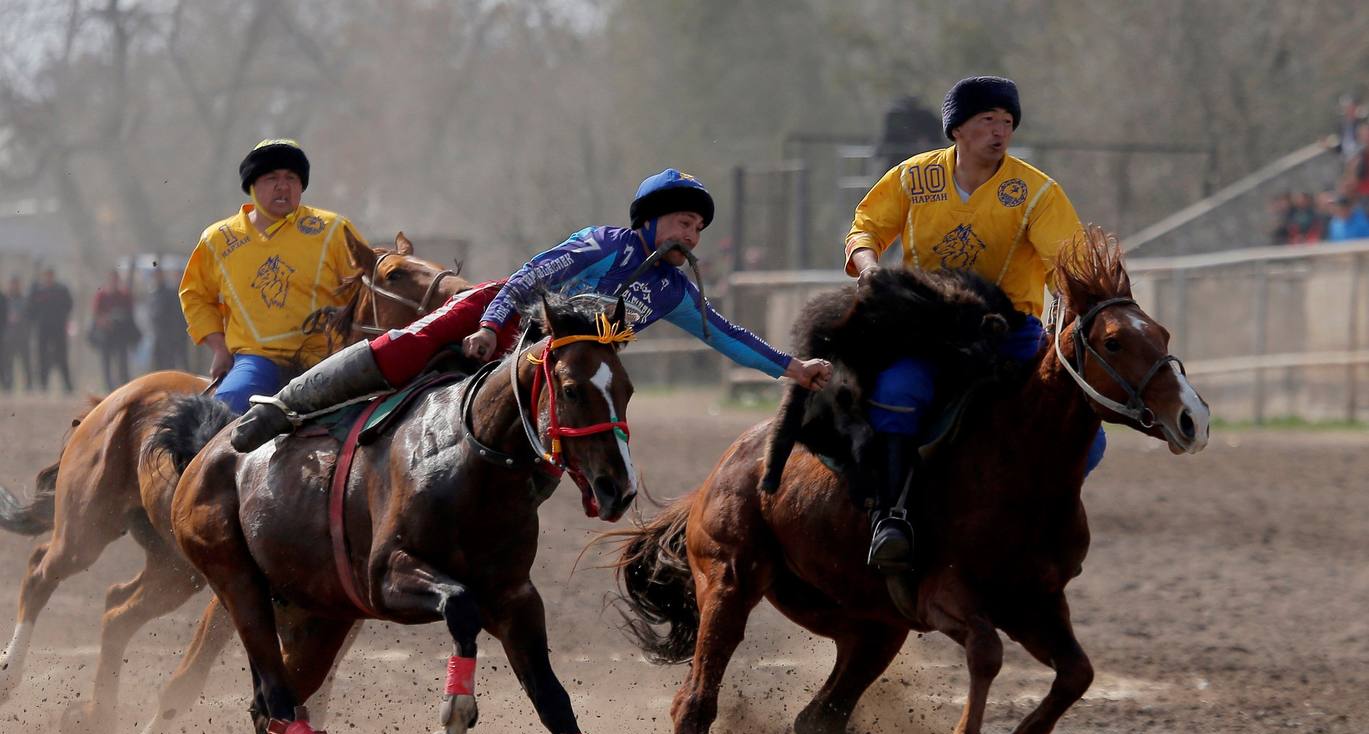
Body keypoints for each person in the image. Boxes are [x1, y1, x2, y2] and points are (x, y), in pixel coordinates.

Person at [231, 168, 833, 451]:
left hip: (552, 362)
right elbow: (530, 277)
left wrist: (791, 368)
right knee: (408, 348)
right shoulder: (604, 244)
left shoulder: (675, 292)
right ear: (650, 223)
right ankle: (282, 408)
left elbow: (723, 334)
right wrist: (491, 326)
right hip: (500, 312)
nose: (692, 235)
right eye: (682, 221)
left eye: (698, 227)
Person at [844, 75, 1102, 573]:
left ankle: (1036, 516)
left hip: (1012, 333)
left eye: (1007, 122)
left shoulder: (1035, 191)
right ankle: (892, 519)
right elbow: (865, 228)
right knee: (898, 393)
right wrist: (870, 268)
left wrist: (1081, 297)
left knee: (1089, 437)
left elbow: (1066, 261)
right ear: (957, 128)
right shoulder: (913, 177)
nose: (1000, 131)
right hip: (928, 328)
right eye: (988, 120)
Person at [179, 139, 362, 413]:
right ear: (252, 186)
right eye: (271, 177)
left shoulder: (334, 230)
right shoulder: (218, 239)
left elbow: (366, 289)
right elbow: (195, 295)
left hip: (326, 360)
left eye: (291, 177)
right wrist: (219, 347)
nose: (283, 186)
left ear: (301, 185)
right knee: (222, 414)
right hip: (257, 360)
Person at [90, 267, 140, 389]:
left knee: (122, 362)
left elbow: (130, 314)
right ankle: (108, 387)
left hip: (120, 334)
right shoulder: (101, 295)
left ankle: (125, 385)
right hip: (106, 334)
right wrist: (105, 321)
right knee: (106, 362)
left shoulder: (124, 295)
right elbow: (96, 313)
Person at [29, 268, 74, 394]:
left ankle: (67, 385)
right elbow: (30, 308)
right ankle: (43, 384)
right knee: (42, 357)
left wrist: (62, 317)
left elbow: (69, 305)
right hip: (42, 329)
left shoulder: (61, 290)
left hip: (58, 328)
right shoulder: (37, 290)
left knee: (62, 357)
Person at [149, 266, 190, 371]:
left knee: (177, 361)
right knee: (161, 363)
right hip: (159, 334)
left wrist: (175, 332)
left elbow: (175, 314)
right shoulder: (154, 293)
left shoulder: (169, 293)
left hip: (172, 334)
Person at [0, 275, 32, 391]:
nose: (14, 287)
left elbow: (30, 316)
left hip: (23, 335)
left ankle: (29, 385)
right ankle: (8, 385)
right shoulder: (5, 300)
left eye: (16, 284)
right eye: (12, 284)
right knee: (8, 362)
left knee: (26, 362)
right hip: (9, 336)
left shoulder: (25, 300)